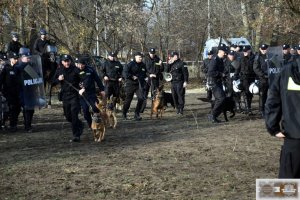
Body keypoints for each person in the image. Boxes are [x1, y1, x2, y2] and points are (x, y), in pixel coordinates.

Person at [265, 54, 300, 178]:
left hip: (293, 134)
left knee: (287, 182)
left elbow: (273, 100)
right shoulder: (286, 71)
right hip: (292, 134)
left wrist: (272, 127)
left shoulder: (285, 71)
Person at [53, 54, 83, 142]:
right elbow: (52, 82)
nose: (67, 63)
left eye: (68, 61)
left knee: (74, 115)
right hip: (65, 96)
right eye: (65, 61)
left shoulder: (76, 69)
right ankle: (80, 124)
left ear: (70, 61)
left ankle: (76, 135)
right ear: (62, 62)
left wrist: (82, 87)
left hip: (74, 95)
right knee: (68, 116)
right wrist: (59, 79)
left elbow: (83, 78)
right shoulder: (59, 70)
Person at [77, 57, 105, 129]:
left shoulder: (90, 70)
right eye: (79, 64)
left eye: (82, 64)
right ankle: (91, 125)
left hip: (91, 92)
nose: (80, 66)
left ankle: (99, 122)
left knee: (95, 108)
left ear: (85, 64)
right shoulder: (74, 70)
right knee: (85, 111)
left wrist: (102, 89)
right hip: (81, 95)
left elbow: (97, 80)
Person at [122, 52, 147, 120]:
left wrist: (146, 77)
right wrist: (132, 76)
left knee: (141, 98)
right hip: (130, 84)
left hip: (139, 84)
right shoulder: (130, 64)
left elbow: (145, 73)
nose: (141, 58)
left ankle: (137, 114)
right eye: (139, 57)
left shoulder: (143, 65)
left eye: (141, 57)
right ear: (135, 57)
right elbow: (125, 73)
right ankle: (124, 112)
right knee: (128, 100)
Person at [0, 52, 21, 132]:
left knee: (17, 108)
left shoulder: (17, 68)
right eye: (15, 59)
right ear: (11, 59)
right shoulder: (6, 68)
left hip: (16, 92)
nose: (16, 60)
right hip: (8, 92)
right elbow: (1, 80)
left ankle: (13, 124)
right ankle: (5, 124)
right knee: (9, 109)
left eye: (17, 59)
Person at [207, 44, 227, 123]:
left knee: (222, 99)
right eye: (224, 52)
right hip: (213, 82)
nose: (225, 53)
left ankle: (214, 116)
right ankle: (212, 115)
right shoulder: (215, 59)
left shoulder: (220, 59)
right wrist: (220, 74)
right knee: (221, 98)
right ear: (220, 51)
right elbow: (210, 72)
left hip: (218, 81)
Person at [140, 48, 163, 112]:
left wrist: (161, 64)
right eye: (151, 53)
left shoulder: (158, 59)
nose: (152, 54)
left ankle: (154, 108)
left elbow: (161, 69)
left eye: (153, 53)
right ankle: (142, 109)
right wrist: (149, 75)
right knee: (144, 94)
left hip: (155, 79)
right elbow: (143, 70)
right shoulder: (145, 60)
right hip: (147, 79)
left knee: (154, 94)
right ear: (149, 53)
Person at [165, 51, 188, 115]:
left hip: (180, 82)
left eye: (175, 56)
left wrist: (185, 81)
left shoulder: (182, 63)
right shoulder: (170, 64)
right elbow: (166, 72)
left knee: (180, 95)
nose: (174, 57)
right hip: (173, 82)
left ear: (177, 56)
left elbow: (185, 73)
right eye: (173, 56)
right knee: (174, 96)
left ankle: (181, 109)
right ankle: (177, 108)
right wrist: (168, 64)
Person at [237, 46, 256, 115]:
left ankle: (248, 108)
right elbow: (238, 68)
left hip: (252, 77)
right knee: (246, 92)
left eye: (246, 51)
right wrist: (235, 76)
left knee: (250, 93)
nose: (244, 52)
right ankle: (248, 109)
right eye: (244, 51)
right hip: (244, 77)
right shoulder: (241, 58)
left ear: (250, 51)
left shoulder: (254, 58)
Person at [253, 44, 269, 118]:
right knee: (263, 95)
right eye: (262, 49)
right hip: (263, 79)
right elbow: (256, 68)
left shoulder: (270, 55)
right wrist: (263, 75)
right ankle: (262, 110)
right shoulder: (258, 57)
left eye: (265, 49)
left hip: (271, 78)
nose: (263, 50)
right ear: (260, 49)